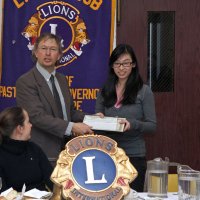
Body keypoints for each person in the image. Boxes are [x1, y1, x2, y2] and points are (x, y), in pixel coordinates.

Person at [16, 33, 93, 163]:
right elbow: (37, 116)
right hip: (42, 153)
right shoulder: (26, 81)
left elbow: (71, 112)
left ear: (59, 55)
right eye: (43, 48)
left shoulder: (62, 79)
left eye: (53, 49)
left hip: (68, 151)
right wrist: (72, 127)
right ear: (35, 52)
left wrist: (93, 118)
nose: (48, 53)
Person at [95, 44, 157, 192]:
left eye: (126, 63)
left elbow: (152, 126)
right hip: (108, 155)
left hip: (133, 156)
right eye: (117, 63)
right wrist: (98, 120)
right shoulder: (104, 90)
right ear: (112, 66)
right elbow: (98, 121)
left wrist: (133, 124)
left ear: (133, 64)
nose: (121, 68)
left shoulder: (144, 91)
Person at [0, 106, 53, 192]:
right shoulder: (2, 155)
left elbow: (52, 180)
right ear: (20, 129)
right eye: (28, 122)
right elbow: (3, 194)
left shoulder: (34, 149)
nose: (31, 125)